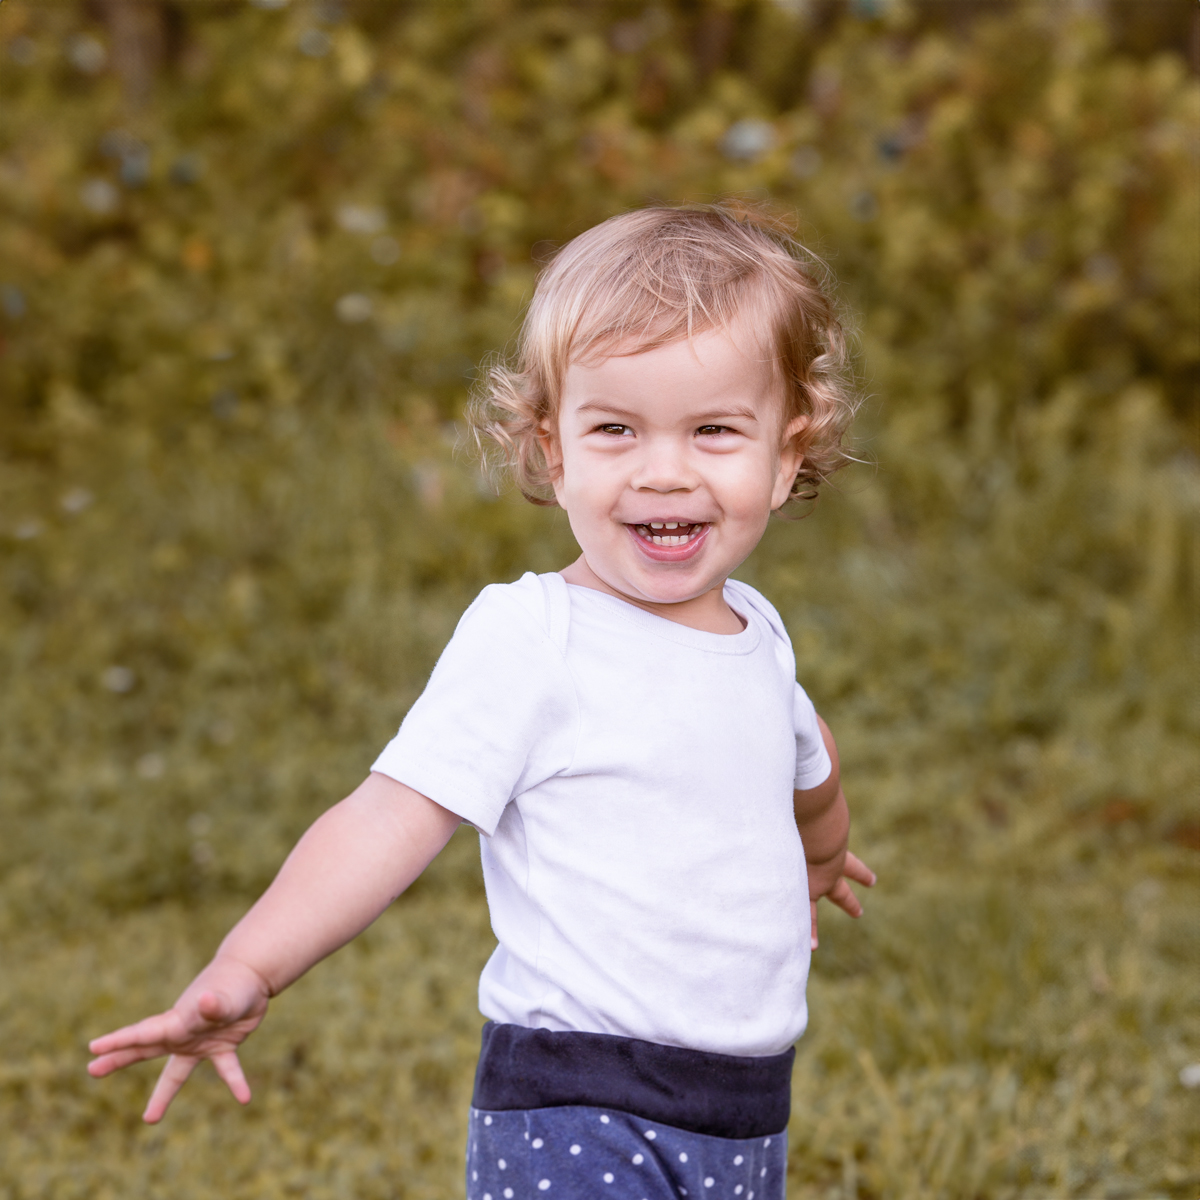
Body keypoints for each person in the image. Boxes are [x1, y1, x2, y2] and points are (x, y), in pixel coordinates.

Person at [88, 203, 876, 1200]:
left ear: (787, 452)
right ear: (554, 450)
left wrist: (818, 851)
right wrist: (251, 964)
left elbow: (805, 756)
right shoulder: (534, 637)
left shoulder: (757, 634)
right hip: (575, 1100)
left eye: (715, 430)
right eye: (616, 430)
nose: (663, 470)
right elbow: (391, 814)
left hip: (745, 1103)